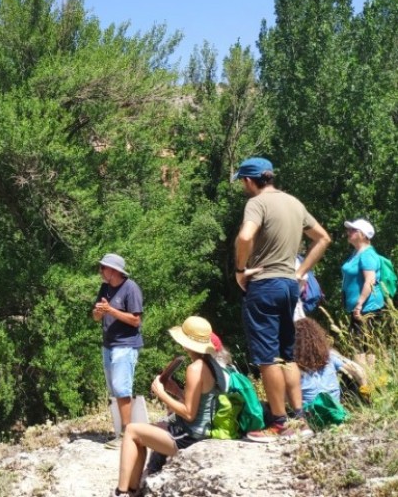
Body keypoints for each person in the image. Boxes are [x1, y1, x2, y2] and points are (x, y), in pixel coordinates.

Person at [233, 157, 331, 441]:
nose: (243, 186)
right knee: (286, 354)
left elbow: (245, 236)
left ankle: (278, 423)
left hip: (263, 284)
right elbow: (323, 238)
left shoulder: (257, 203)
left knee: (266, 357)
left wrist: (241, 271)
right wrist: (300, 272)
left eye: (243, 181)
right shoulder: (294, 203)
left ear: (250, 181)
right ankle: (298, 418)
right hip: (289, 285)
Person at [112, 316, 226, 497]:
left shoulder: (194, 369)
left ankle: (122, 492)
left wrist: (162, 393)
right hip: (202, 431)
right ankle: (132, 490)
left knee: (132, 430)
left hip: (189, 436)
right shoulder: (212, 366)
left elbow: (189, 413)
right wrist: (177, 392)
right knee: (140, 434)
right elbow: (200, 404)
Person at [91, 253, 144, 446]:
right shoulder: (105, 288)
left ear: (113, 270)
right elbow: (96, 317)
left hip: (126, 345)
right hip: (109, 345)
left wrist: (111, 310)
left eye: (103, 268)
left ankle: (126, 435)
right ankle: (122, 432)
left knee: (122, 388)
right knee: (115, 389)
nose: (100, 271)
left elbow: (136, 320)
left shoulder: (131, 288)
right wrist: (98, 313)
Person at [341, 218, 385, 345]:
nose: (348, 232)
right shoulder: (357, 252)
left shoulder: (367, 255)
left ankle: (364, 366)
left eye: (353, 230)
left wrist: (359, 305)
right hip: (359, 308)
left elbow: (370, 281)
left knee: (361, 346)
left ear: (363, 235)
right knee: (365, 345)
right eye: (349, 229)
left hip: (366, 308)